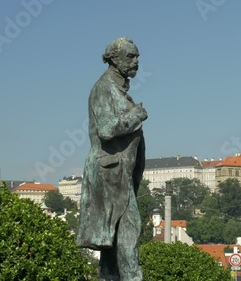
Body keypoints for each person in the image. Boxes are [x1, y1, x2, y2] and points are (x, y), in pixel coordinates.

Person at [77, 37, 147, 281]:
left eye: (137, 56)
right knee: (129, 235)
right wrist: (136, 115)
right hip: (110, 175)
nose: (136, 61)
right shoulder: (103, 88)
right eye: (130, 56)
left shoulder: (118, 89)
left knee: (113, 241)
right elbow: (106, 129)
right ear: (114, 59)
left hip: (119, 175)